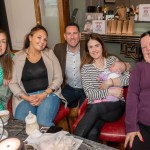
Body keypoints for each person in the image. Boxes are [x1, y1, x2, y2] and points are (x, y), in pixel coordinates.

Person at [74, 33, 129, 142]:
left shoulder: (112, 60)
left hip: (115, 106)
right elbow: (90, 94)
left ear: (102, 46)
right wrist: (111, 92)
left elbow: (129, 78)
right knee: (92, 133)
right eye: (90, 47)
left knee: (95, 107)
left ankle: (71, 142)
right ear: (87, 50)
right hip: (95, 107)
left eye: (97, 45)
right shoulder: (86, 69)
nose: (94, 49)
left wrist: (110, 82)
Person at [9, 25, 63, 127]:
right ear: (30, 37)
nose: (42, 41)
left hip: (48, 95)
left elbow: (58, 78)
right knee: (21, 125)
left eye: (45, 39)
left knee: (43, 123)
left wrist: (43, 94)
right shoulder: (17, 57)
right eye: (39, 37)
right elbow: (13, 83)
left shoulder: (50, 53)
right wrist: (27, 98)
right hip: (26, 97)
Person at [125, 31, 150, 150]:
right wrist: (131, 127)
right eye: (144, 47)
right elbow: (132, 97)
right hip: (144, 124)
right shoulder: (139, 68)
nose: (148, 49)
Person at [54, 23, 86, 108]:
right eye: (69, 34)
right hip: (69, 88)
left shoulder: (87, 46)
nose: (72, 37)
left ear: (80, 35)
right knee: (56, 106)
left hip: (86, 89)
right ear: (65, 36)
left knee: (84, 113)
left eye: (75, 33)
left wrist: (124, 64)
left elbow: (104, 54)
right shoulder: (58, 48)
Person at [0, 29, 13, 110]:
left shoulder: (12, 58)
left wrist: (10, 72)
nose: (0, 45)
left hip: (7, 103)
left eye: (3, 41)